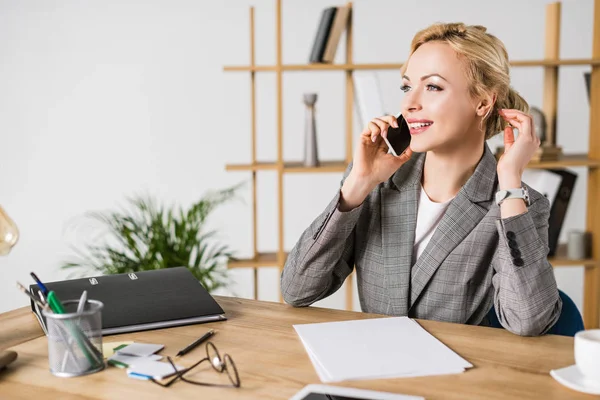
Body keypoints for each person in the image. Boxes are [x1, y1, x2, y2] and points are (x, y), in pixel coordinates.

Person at [280, 22, 562, 336]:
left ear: (483, 102)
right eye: (406, 86)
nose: (409, 103)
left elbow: (529, 320)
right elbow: (297, 290)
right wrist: (358, 184)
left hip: (461, 379)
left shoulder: (519, 205)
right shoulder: (376, 183)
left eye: (433, 86)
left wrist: (510, 181)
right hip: (377, 372)